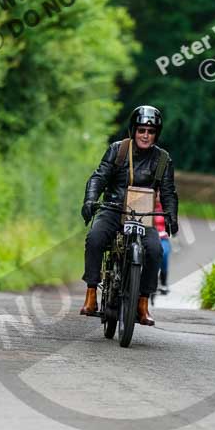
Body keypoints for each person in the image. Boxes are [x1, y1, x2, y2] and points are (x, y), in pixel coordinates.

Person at [80, 105, 179, 326]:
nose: (146, 135)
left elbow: (169, 191)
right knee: (95, 238)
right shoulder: (118, 150)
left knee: (155, 249)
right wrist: (90, 199)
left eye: (151, 131)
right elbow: (98, 177)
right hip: (113, 209)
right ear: (133, 130)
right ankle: (91, 294)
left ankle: (142, 303)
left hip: (143, 215)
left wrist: (172, 215)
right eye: (142, 130)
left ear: (156, 134)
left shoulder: (163, 160)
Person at [154, 195, 171, 295]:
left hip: (163, 237)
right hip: (150, 235)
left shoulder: (165, 207)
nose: (157, 197)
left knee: (164, 254)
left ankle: (164, 282)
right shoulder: (147, 205)